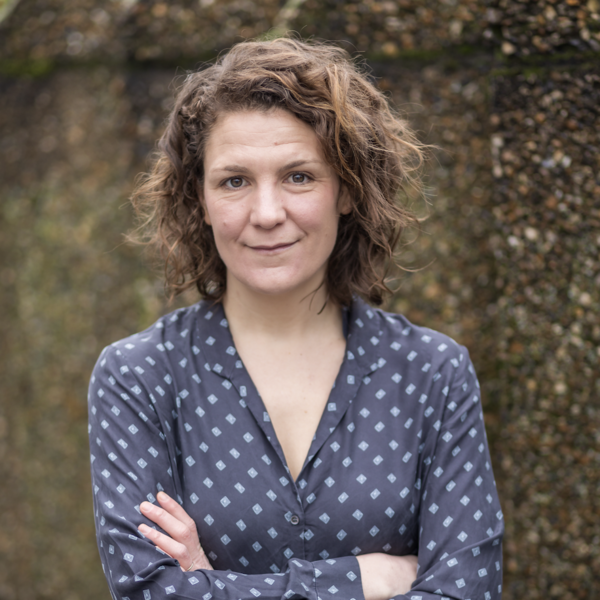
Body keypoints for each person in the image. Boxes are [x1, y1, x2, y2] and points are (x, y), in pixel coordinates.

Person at [88, 37, 503, 600]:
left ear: (347, 191)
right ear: (201, 200)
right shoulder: (138, 377)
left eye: (299, 176)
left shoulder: (433, 373)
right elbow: (150, 592)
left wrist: (213, 585)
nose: (266, 213)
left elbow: (466, 591)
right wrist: (362, 579)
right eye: (234, 181)